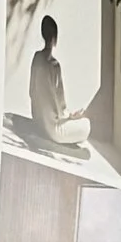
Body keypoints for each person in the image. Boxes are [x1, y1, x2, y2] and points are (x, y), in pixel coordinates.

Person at [26, 16, 92, 153]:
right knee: (87, 125)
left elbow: (31, 91)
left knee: (76, 121)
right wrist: (72, 117)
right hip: (53, 130)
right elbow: (60, 106)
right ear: (55, 38)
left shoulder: (36, 57)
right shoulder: (54, 66)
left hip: (38, 120)